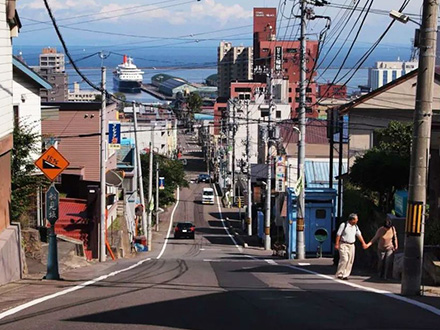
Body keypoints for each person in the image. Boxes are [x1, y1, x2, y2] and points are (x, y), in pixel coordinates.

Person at [335, 213, 368, 280]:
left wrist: (363, 243)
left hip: (352, 245)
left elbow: (359, 235)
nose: (357, 220)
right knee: (344, 259)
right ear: (352, 220)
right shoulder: (344, 225)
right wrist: (337, 244)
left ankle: (345, 275)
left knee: (350, 260)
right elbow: (338, 234)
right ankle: (340, 273)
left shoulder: (355, 226)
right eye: (356, 219)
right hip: (344, 244)